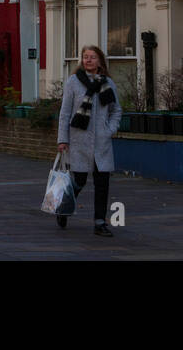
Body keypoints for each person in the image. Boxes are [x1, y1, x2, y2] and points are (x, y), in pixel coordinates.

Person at [57, 45, 122, 237]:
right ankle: (64, 207)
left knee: (103, 182)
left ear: (100, 60)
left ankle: (100, 222)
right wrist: (62, 139)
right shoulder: (73, 82)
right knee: (79, 180)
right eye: (85, 57)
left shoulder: (108, 83)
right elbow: (65, 112)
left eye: (92, 57)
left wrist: (110, 129)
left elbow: (116, 110)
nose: (88, 60)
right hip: (79, 139)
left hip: (102, 142)